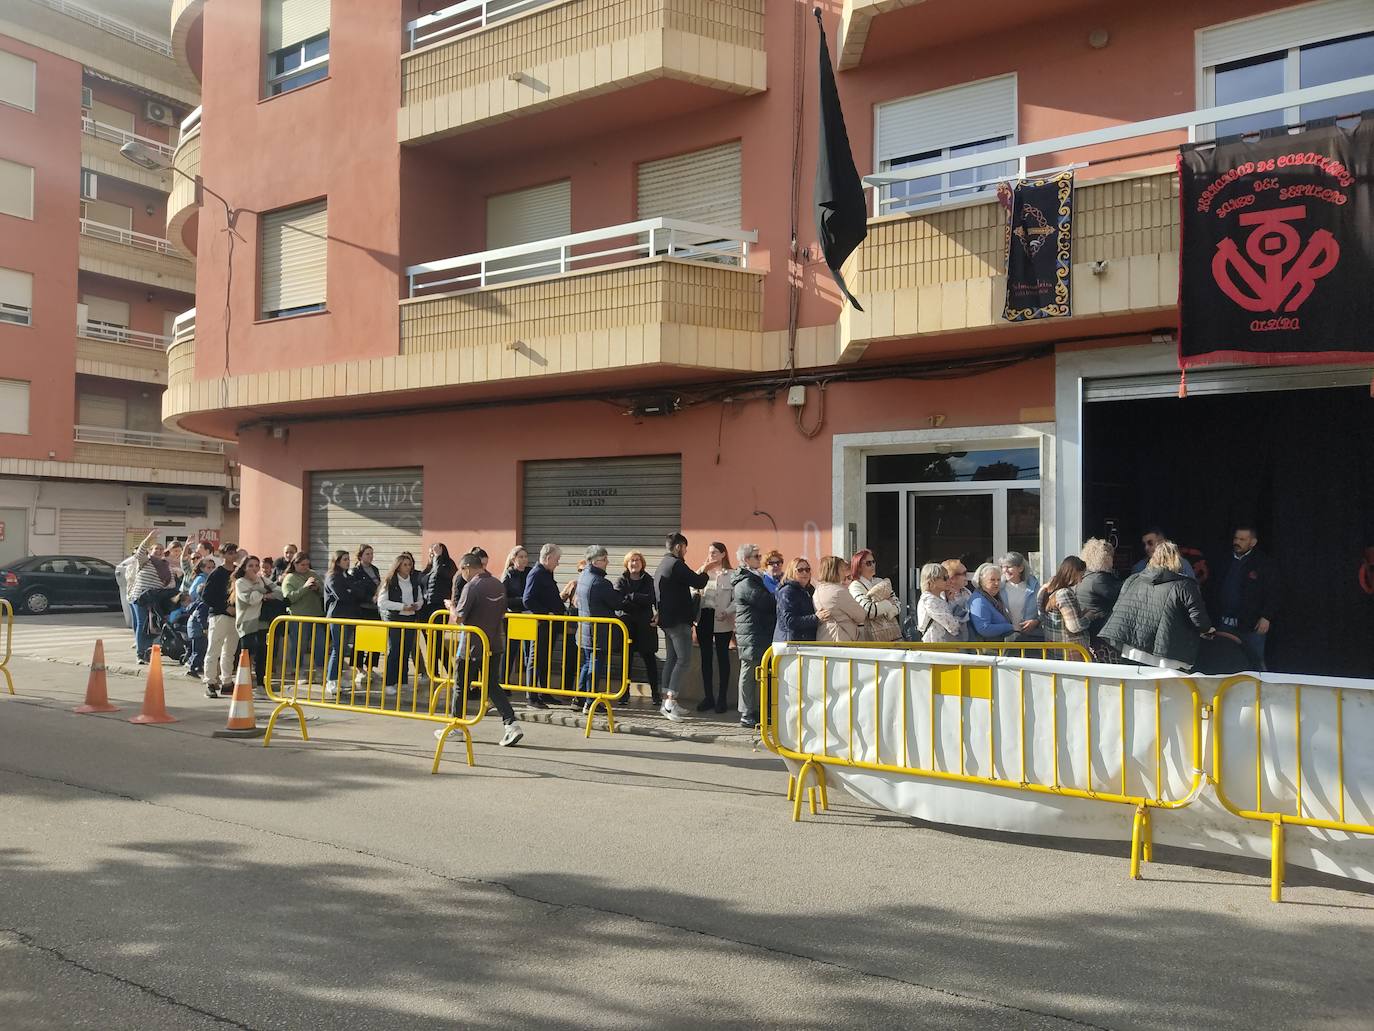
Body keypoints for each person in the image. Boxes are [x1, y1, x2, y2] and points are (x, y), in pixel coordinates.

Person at [438, 551, 523, 747]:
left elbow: (458, 617)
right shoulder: (497, 584)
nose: (461, 574)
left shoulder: (472, 586)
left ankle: (456, 726)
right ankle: (511, 724)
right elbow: (502, 613)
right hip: (494, 644)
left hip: (471, 647)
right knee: (492, 685)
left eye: (462, 570)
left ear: (467, 567)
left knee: (460, 685)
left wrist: (451, 606)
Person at [1101, 540, 1214, 672]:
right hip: (1169, 656)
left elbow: (1118, 609)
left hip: (1132, 651)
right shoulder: (1185, 585)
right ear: (1177, 560)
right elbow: (1200, 621)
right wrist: (1208, 630)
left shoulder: (1132, 580)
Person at [654, 532, 709, 722]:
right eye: (685, 547)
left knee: (672, 659)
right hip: (678, 622)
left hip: (668, 622)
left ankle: (666, 702)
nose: (686, 551)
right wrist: (707, 568)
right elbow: (698, 581)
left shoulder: (662, 564)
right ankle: (670, 701)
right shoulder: (676, 564)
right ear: (678, 547)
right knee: (684, 660)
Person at [1213, 524, 1278, 671]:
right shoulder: (1224, 559)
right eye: (1236, 538)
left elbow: (1273, 592)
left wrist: (1266, 616)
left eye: (1243, 539)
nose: (1238, 542)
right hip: (1225, 623)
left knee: (1255, 661)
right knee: (1224, 660)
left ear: (1253, 542)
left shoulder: (1263, 563)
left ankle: (1259, 692)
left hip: (1251, 625)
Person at [574, 546, 625, 713]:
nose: (607, 562)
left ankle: (579, 698)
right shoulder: (600, 582)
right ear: (595, 561)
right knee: (595, 664)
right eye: (605, 559)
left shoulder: (583, 576)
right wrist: (620, 591)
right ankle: (591, 701)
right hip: (598, 632)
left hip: (586, 630)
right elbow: (616, 603)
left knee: (587, 663)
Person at [731, 543, 776, 728]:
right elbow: (765, 602)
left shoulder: (756, 577)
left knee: (758, 672)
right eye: (757, 556)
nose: (760, 559)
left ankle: (755, 709)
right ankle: (746, 712)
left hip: (758, 631)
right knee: (749, 673)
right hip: (750, 633)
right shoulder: (746, 582)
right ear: (746, 560)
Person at [323, 549, 372, 698]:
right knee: (337, 649)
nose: (347, 562)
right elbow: (342, 595)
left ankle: (337, 678)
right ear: (337, 561)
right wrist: (351, 591)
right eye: (344, 559)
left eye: (348, 559)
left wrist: (352, 590)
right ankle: (331, 680)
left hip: (350, 616)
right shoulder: (333, 577)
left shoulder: (347, 576)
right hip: (338, 616)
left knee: (343, 649)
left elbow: (359, 592)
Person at [521, 543, 563, 710]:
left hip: (550, 625)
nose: (558, 563)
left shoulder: (547, 573)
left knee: (544, 659)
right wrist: (546, 613)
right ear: (548, 558)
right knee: (535, 659)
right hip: (541, 624)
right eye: (557, 560)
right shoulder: (536, 574)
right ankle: (532, 697)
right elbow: (528, 599)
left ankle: (543, 692)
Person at [694, 542, 735, 713]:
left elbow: (736, 598)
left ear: (723, 554)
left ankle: (722, 698)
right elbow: (692, 590)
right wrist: (703, 569)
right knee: (706, 658)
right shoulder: (702, 571)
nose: (712, 555)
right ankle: (708, 697)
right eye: (710, 552)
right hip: (704, 617)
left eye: (715, 552)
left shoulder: (731, 574)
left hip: (722, 619)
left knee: (723, 657)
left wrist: (728, 611)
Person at [615, 551, 659, 704]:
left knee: (650, 661)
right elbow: (619, 601)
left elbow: (651, 599)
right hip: (627, 626)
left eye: (638, 560)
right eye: (632, 560)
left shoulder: (649, 580)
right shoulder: (621, 580)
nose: (635, 563)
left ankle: (656, 694)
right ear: (627, 564)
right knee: (626, 662)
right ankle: (624, 694)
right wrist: (639, 599)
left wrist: (632, 597)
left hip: (645, 626)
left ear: (642, 563)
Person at [233, 555, 281, 690]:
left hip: (262, 622)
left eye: (256, 565)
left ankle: (261, 683)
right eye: (250, 566)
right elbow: (250, 599)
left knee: (262, 654)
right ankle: (243, 684)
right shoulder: (240, 582)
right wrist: (263, 593)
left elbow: (279, 592)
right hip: (247, 623)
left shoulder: (262, 579)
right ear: (244, 568)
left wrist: (261, 591)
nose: (254, 569)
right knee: (246, 655)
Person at [377, 552, 423, 692]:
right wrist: (402, 606)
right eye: (405, 565)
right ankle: (389, 683)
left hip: (410, 618)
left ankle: (402, 681)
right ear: (398, 566)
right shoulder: (390, 581)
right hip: (395, 619)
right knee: (395, 650)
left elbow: (420, 599)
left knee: (406, 650)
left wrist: (416, 605)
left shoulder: (414, 581)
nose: (408, 567)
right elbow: (382, 602)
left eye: (409, 564)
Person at [128, 531, 174, 663]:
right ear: (150, 551)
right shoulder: (145, 561)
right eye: (156, 549)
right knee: (142, 624)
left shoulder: (166, 565)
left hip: (156, 598)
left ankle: (149, 651)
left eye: (161, 549)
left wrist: (161, 590)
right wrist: (149, 538)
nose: (158, 551)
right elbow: (140, 552)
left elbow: (171, 583)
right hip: (141, 596)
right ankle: (140, 653)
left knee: (152, 626)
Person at [280, 552, 326, 678]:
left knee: (320, 642)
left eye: (307, 564)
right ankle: (297, 670)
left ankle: (320, 669)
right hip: (298, 616)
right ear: (295, 564)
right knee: (299, 644)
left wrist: (317, 588)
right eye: (302, 564)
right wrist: (305, 587)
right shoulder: (290, 578)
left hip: (316, 615)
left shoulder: (313, 574)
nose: (305, 567)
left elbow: (324, 592)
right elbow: (289, 598)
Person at [1076, 538, 1121, 660]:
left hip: (1091, 632)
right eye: (1111, 556)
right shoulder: (1099, 579)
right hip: (1102, 634)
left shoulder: (1086, 576)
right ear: (1105, 558)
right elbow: (1121, 596)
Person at [202, 548, 238, 698]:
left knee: (229, 651)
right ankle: (210, 682)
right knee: (214, 649)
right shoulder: (217, 573)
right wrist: (224, 607)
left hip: (235, 616)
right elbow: (206, 596)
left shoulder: (238, 572)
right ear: (222, 555)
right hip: (219, 616)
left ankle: (227, 681)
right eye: (229, 553)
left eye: (234, 552)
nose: (233, 555)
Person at [1037, 557, 1090, 657]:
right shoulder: (1064, 594)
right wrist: (1089, 616)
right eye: (1081, 576)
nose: (1080, 581)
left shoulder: (1045, 590)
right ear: (1074, 573)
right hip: (1070, 651)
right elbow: (1074, 627)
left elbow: (1043, 616)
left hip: (1052, 648)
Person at [813, 555, 870, 642]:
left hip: (823, 637)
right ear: (834, 571)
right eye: (842, 569)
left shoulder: (817, 591)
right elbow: (860, 615)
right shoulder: (838, 591)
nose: (844, 573)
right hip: (841, 639)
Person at [849, 549, 901, 642]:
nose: (873, 565)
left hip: (890, 635)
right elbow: (868, 610)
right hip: (868, 637)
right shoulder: (855, 586)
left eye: (873, 562)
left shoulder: (880, 581)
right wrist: (888, 603)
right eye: (868, 563)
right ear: (859, 566)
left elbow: (897, 603)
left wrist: (888, 612)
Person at [773, 557, 828, 643]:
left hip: (806, 642)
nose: (804, 573)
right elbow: (789, 621)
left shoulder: (810, 590)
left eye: (807, 569)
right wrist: (815, 618)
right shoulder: (787, 591)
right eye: (800, 570)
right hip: (790, 643)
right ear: (791, 572)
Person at [183, 556, 215, 681]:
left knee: (198, 649)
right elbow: (201, 617)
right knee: (198, 650)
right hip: (197, 630)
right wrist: (205, 628)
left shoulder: (200, 603)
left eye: (213, 567)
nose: (211, 570)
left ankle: (193, 665)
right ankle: (192, 668)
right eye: (209, 567)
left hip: (194, 629)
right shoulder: (203, 604)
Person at [998, 551, 1042, 638]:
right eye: (1003, 567)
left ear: (1021, 568)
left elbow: (1044, 610)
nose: (1005, 570)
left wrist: (1036, 621)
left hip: (1031, 636)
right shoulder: (999, 587)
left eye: (1009, 567)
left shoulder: (1035, 586)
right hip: (1007, 636)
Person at [915, 563, 962, 642]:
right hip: (934, 646)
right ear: (932, 581)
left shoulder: (939, 598)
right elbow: (952, 626)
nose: (949, 581)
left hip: (942, 645)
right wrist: (960, 621)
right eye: (945, 578)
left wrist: (950, 600)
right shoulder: (929, 601)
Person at [420, 543, 457, 624]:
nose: (431, 556)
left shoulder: (448, 565)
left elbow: (439, 573)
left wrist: (437, 557)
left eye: (434, 553)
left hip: (438, 606)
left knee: (437, 635)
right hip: (425, 607)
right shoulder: (428, 569)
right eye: (430, 553)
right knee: (427, 634)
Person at [942, 559, 972, 639]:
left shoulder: (967, 592)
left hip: (966, 638)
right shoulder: (941, 595)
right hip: (948, 642)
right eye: (964, 574)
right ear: (952, 577)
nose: (967, 577)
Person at [502, 546, 530, 613]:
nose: (524, 559)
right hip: (514, 613)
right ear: (513, 559)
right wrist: (521, 600)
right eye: (521, 557)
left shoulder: (530, 573)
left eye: (526, 556)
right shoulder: (508, 575)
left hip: (529, 612)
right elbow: (503, 598)